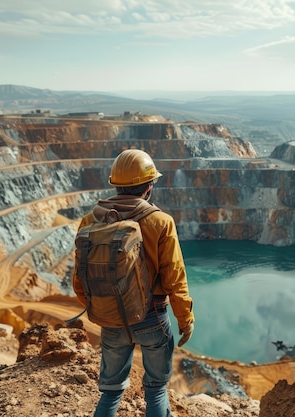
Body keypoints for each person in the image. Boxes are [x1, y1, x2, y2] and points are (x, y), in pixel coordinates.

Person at [72, 149, 195, 417]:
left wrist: (105, 308)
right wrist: (185, 320)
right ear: (149, 186)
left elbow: (79, 277)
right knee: (157, 391)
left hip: (112, 319)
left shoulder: (90, 221)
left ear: (115, 184)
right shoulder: (161, 222)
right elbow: (175, 279)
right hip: (153, 316)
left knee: (112, 391)